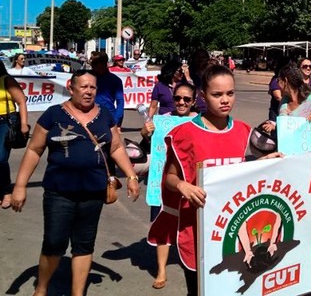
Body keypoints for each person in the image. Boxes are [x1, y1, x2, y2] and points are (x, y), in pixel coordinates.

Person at [147, 65, 282, 296]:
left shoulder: (242, 131)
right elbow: (169, 177)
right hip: (196, 229)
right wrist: (182, 185)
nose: (225, 100)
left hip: (233, 231)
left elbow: (244, 174)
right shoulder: (185, 133)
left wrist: (266, 161)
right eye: (217, 94)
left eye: (230, 93)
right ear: (202, 96)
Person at [10, 69, 140, 296]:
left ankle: (77, 293)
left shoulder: (105, 116)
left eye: (93, 87)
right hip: (59, 192)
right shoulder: (53, 114)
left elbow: (117, 148)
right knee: (54, 243)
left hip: (93, 192)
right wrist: (20, 186)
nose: (89, 92)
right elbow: (34, 150)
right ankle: (41, 289)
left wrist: (131, 176)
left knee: (84, 244)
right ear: (71, 88)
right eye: (84, 87)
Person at [141, 82, 198, 290]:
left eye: (186, 99)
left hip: (189, 182)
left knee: (193, 226)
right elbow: (149, 144)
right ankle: (161, 269)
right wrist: (145, 132)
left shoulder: (200, 122)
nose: (181, 103)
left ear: (194, 101)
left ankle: (194, 264)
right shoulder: (162, 121)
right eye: (177, 98)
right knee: (163, 224)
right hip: (163, 181)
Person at [0, 61, 29, 209]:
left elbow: (21, 101)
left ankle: (6, 192)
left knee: (1, 158)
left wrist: (24, 124)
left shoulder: (6, 80)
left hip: (5, 122)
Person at [89, 52, 125, 128]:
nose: (92, 66)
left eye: (95, 63)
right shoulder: (87, 77)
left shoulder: (115, 80)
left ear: (103, 64)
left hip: (108, 117)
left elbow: (120, 102)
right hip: (88, 116)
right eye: (92, 63)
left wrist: (115, 121)